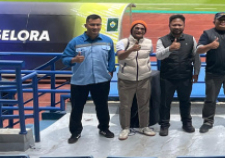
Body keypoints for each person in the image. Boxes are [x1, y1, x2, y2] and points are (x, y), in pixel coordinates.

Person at [61, 14, 116, 143]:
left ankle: (104, 128)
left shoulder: (107, 40)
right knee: (77, 108)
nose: (95, 27)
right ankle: (75, 132)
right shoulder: (75, 42)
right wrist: (74, 59)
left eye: (98, 24)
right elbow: (64, 58)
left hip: (101, 80)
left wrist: (111, 70)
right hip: (80, 81)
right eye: (92, 24)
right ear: (86, 25)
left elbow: (111, 57)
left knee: (102, 106)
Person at [156, 14, 200, 136]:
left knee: (185, 101)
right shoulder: (162, 40)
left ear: (184, 26)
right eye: (174, 24)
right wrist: (170, 48)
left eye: (179, 24)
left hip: (185, 77)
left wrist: (196, 72)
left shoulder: (191, 39)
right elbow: (159, 56)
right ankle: (164, 125)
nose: (177, 27)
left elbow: (196, 56)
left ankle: (187, 123)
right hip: (167, 77)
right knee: (165, 102)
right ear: (169, 25)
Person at [115, 21, 156, 140]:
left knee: (144, 104)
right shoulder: (123, 42)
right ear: (132, 29)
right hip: (126, 79)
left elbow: (149, 56)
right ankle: (125, 128)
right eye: (137, 28)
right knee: (125, 105)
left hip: (144, 78)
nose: (139, 30)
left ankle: (144, 126)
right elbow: (120, 56)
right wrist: (131, 49)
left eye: (142, 29)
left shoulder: (148, 43)